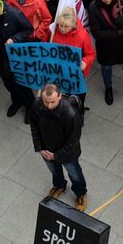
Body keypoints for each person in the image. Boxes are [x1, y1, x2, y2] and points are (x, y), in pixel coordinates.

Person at [31, 83, 88, 212]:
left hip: (67, 154)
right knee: (54, 171)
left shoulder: (70, 114)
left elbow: (73, 141)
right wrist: (39, 147)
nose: (49, 105)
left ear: (60, 96)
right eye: (46, 101)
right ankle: (59, 185)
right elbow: (34, 126)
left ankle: (81, 193)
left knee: (75, 173)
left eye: (52, 102)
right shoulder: (37, 105)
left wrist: (56, 155)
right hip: (46, 149)